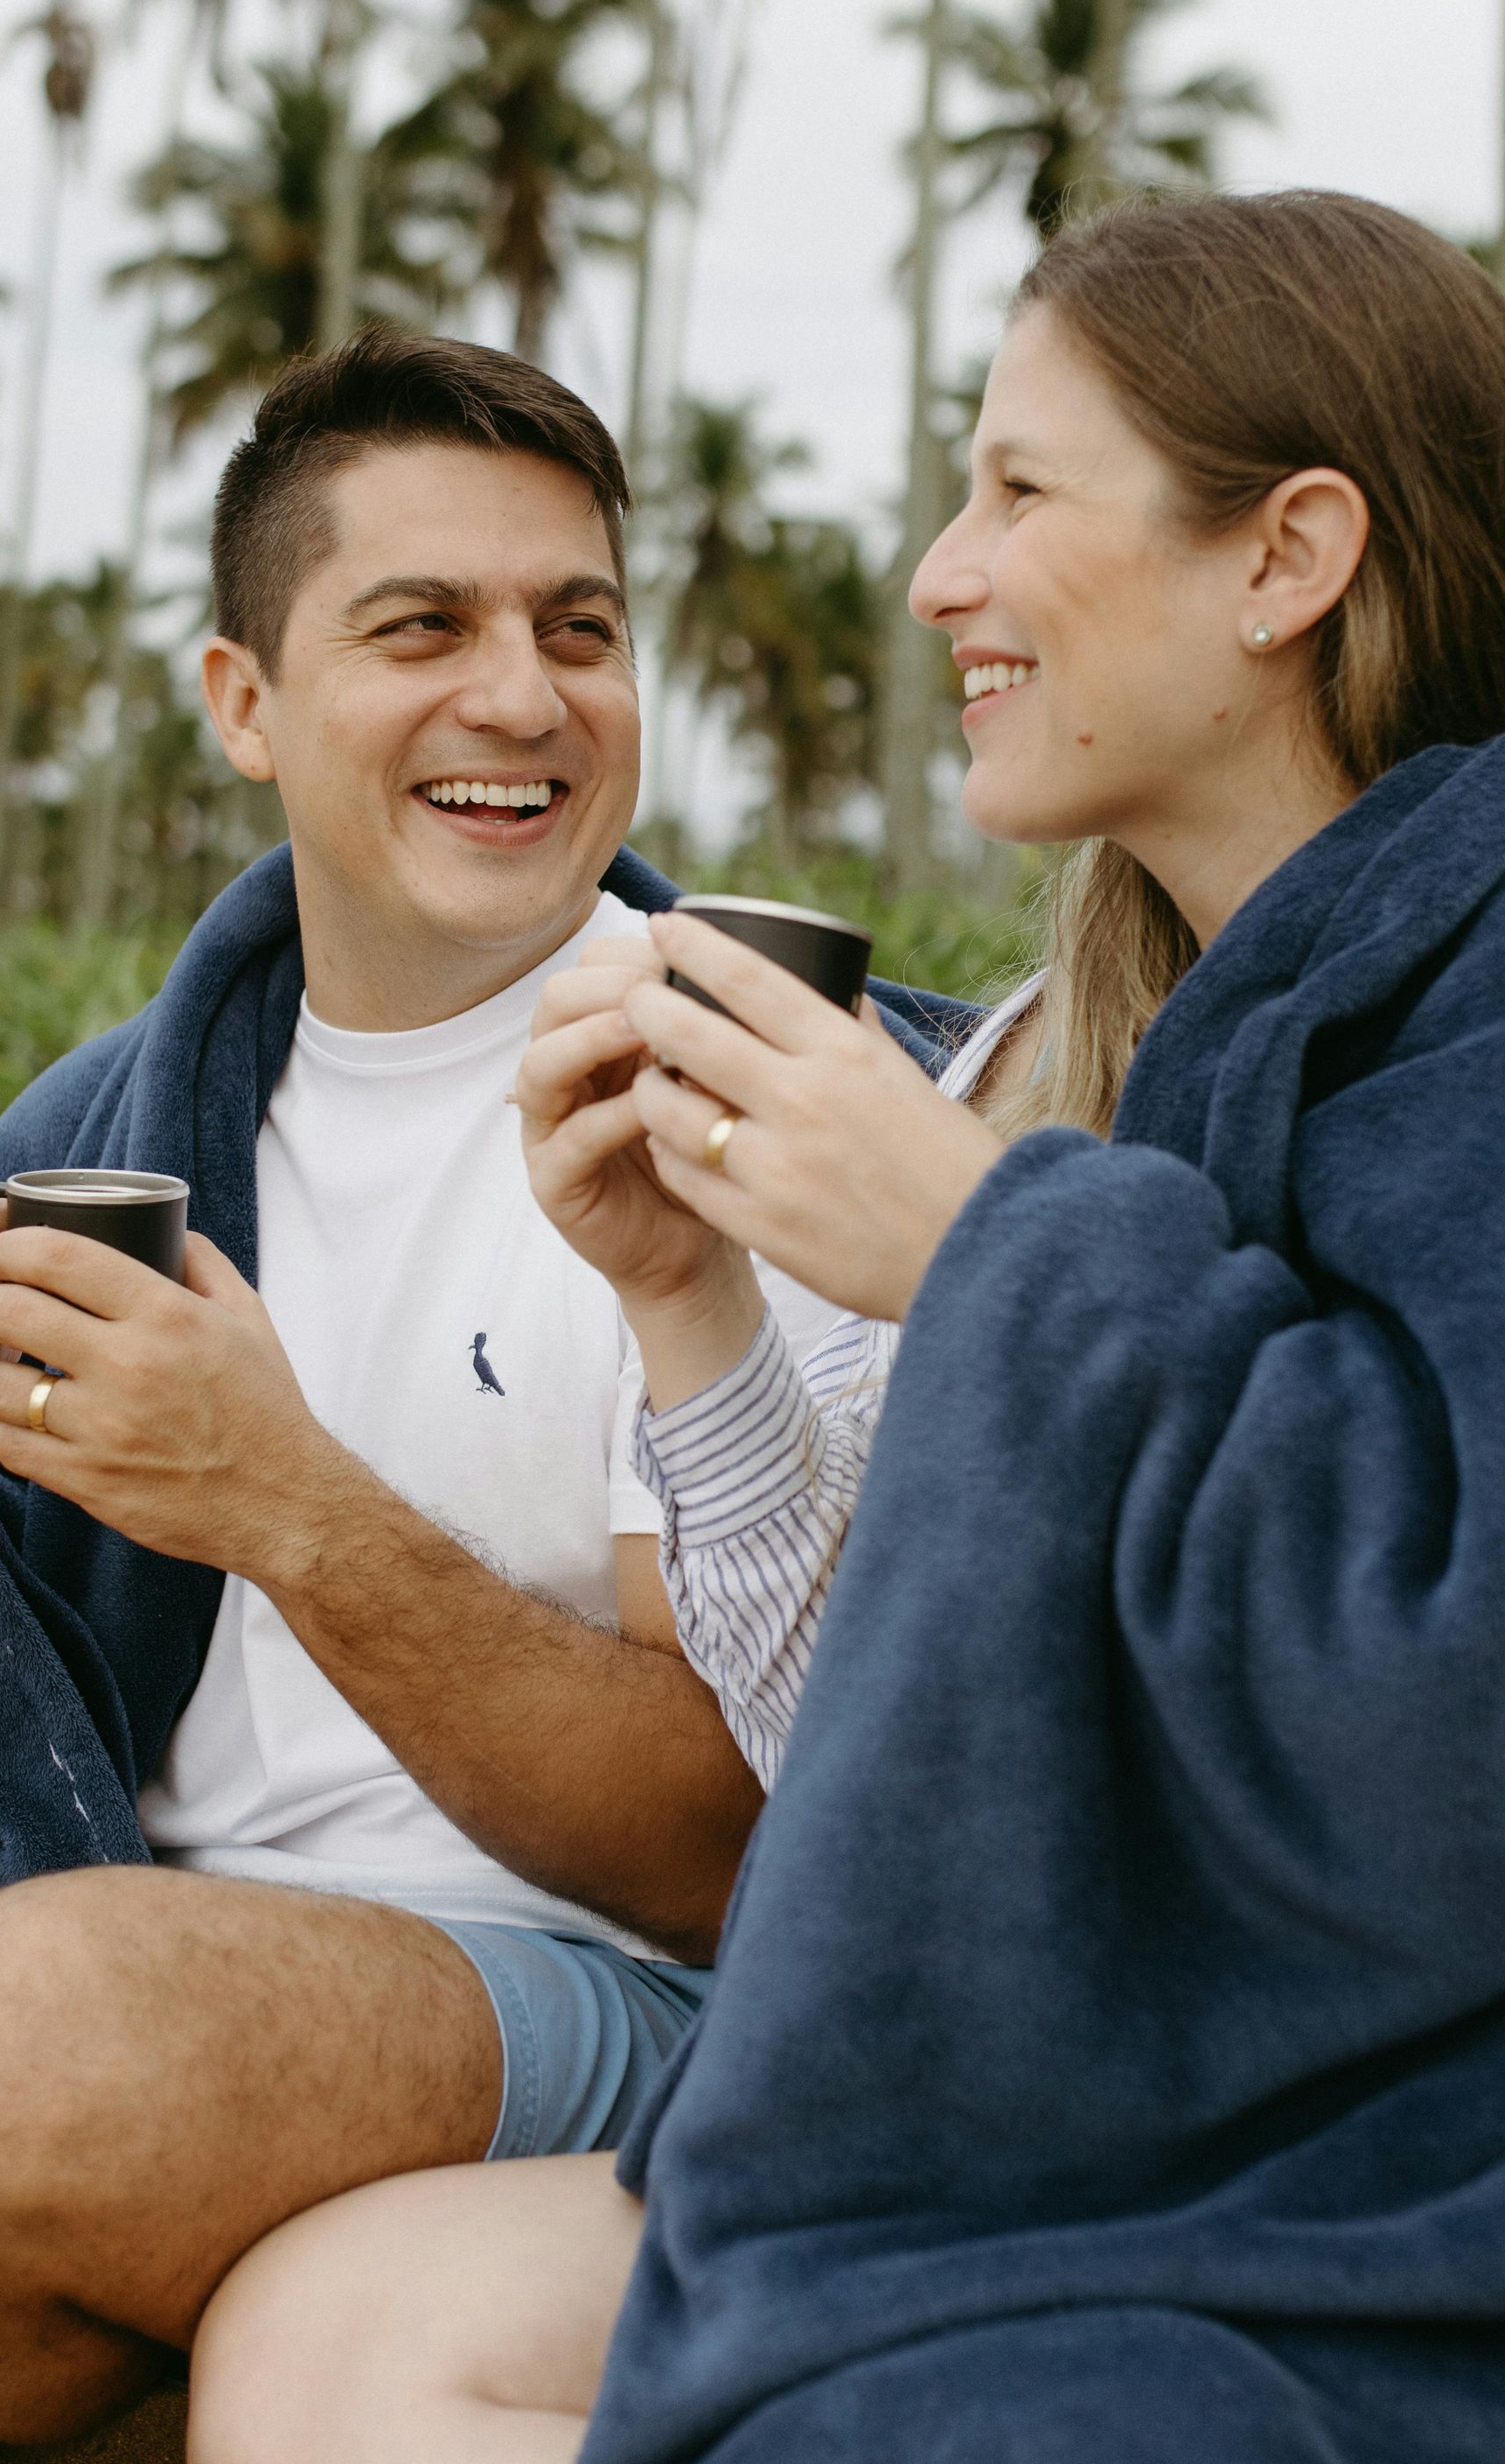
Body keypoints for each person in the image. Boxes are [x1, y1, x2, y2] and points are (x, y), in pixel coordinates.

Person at [183, 187, 1505, 2464]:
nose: (935, 573)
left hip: (1365, 2155)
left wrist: (982, 1249)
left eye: (1014, 490)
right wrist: (693, 1311)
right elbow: (883, 1744)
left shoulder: (1428, 1029)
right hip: (1127, 2083)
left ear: (1287, 561)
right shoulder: (1121, 1047)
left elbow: (1440, 1689)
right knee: (323, 2337)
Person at [0, 331, 964, 2452]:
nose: (522, 699)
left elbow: (730, 1846)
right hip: (157, 1938)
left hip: (602, 1992)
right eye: (421, 626)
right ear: (244, 707)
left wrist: (287, 1501)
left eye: (581, 628)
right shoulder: (104, 1132)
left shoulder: (756, 1103)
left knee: (16, 2045)